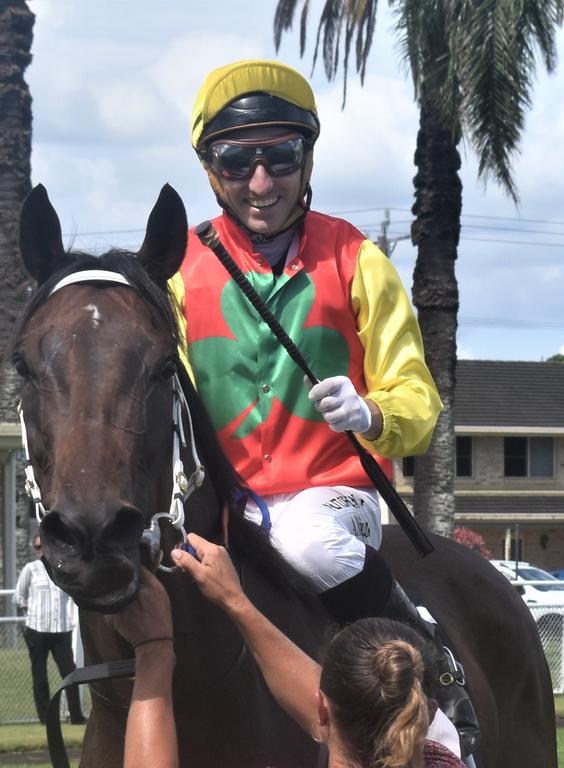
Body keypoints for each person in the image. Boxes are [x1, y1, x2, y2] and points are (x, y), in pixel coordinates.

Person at [173, 58, 442, 629]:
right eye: (238, 161)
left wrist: (370, 412)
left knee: (305, 544)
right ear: (210, 169)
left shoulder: (359, 259)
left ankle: (422, 644)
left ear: (308, 158)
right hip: (226, 502)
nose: (262, 182)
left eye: (282, 156)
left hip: (336, 496)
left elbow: (418, 400)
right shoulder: (178, 272)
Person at [109, 538, 466, 768]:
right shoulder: (442, 757)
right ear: (427, 710)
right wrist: (237, 604)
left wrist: (153, 650)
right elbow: (361, 702)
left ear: (321, 708)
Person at [16, 535, 86, 725]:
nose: (42, 551)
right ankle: (46, 718)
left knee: (70, 674)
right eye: (38, 547)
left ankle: (76, 716)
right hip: (37, 629)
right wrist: (33, 610)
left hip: (61, 630)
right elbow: (19, 597)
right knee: (39, 675)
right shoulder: (31, 570)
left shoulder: (63, 570)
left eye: (45, 546)